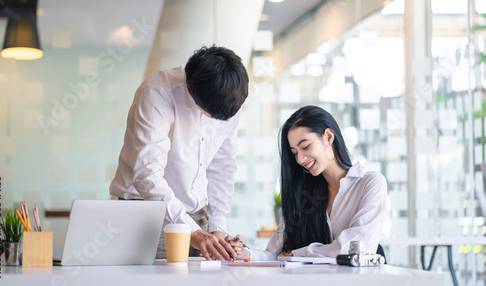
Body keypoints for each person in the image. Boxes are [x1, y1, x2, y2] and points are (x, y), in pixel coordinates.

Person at [110, 45, 249, 261]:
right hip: (147, 213)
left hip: (198, 217)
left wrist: (217, 228)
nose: (228, 121)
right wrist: (190, 231)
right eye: (215, 116)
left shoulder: (229, 96)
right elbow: (147, 175)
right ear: (192, 91)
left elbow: (223, 166)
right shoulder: (157, 94)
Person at [227, 105, 387, 260]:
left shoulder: (370, 183)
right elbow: (274, 254)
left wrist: (297, 254)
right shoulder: (305, 195)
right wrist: (244, 252)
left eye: (306, 147)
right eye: (295, 153)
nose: (300, 159)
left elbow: (354, 249)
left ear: (329, 137)